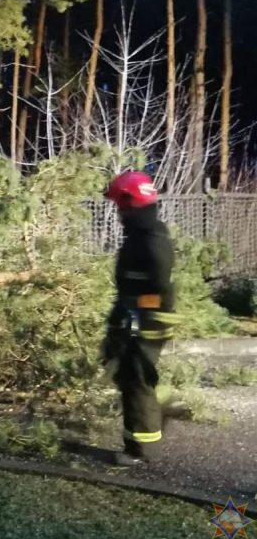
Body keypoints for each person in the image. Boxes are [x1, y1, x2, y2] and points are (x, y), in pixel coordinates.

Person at [101, 171, 181, 466]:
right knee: (126, 373)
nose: (118, 212)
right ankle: (162, 405)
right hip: (137, 314)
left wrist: (135, 313)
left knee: (136, 377)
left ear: (130, 202)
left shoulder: (152, 240)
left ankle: (139, 450)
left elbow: (158, 287)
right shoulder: (140, 234)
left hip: (150, 319)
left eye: (120, 205)